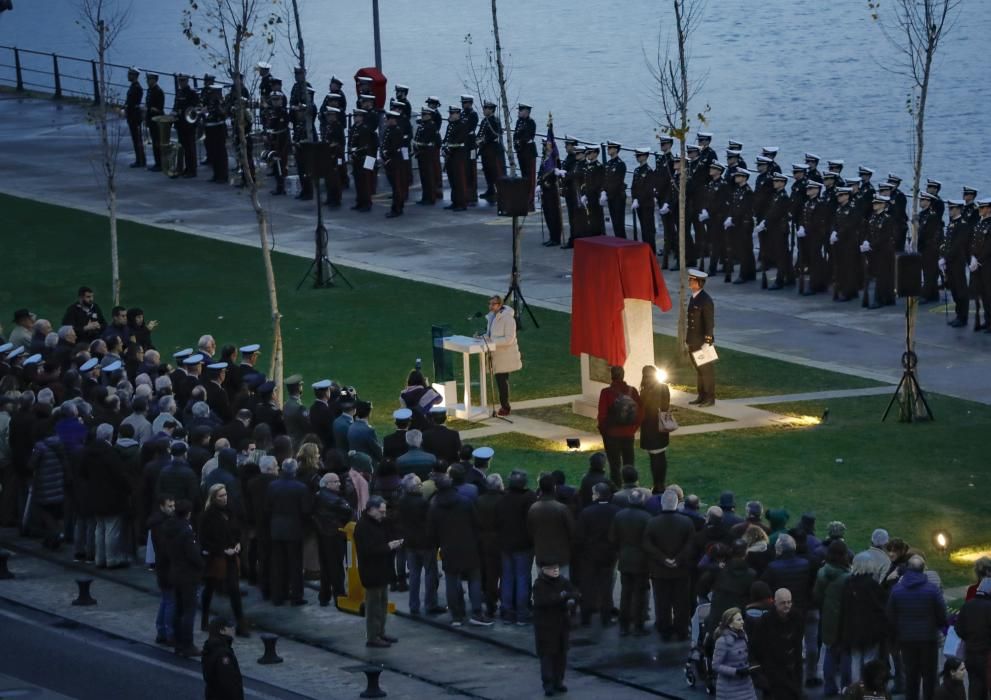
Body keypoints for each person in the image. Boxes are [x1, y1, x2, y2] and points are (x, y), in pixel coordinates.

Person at [427, 474, 492, 626]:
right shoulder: (465, 502)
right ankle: (477, 613)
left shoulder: (435, 507)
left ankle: (456, 615)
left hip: (449, 549)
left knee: (451, 581)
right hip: (469, 547)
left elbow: (432, 533)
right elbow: (477, 524)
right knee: (474, 580)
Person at [887, 554, 947, 700]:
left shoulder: (897, 590)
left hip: (906, 639)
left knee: (911, 675)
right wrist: (937, 627)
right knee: (929, 676)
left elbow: (891, 616)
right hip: (928, 639)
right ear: (923, 569)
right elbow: (942, 614)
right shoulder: (932, 590)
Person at [643, 488, 695, 641]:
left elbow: (647, 544)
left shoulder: (652, 522)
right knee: (681, 603)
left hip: (660, 571)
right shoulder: (686, 522)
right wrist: (677, 559)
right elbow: (690, 544)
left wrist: (663, 558)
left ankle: (664, 630)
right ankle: (681, 631)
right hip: (681, 570)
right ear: (677, 503)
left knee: (662, 602)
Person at [199, 483, 248, 636]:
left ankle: (241, 624)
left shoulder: (230, 511)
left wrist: (238, 543)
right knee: (210, 588)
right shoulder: (207, 516)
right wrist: (222, 550)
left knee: (234, 590)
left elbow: (237, 530)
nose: (225, 498)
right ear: (214, 498)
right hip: (216, 557)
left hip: (231, 556)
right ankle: (204, 619)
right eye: (221, 496)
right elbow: (204, 539)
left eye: (225, 494)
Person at [355, 496, 402, 647]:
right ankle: (373, 636)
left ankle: (380, 632)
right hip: (371, 571)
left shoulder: (379, 523)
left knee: (382, 604)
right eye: (381, 512)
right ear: (371, 510)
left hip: (382, 569)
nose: (383, 515)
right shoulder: (362, 527)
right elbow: (368, 550)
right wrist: (389, 547)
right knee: (373, 606)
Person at [266, 458, 313, 606]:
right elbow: (306, 510)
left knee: (279, 564)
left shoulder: (272, 486)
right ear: (295, 470)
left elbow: (268, 507)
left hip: (276, 528)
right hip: (294, 528)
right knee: (295, 564)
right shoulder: (300, 487)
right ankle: (296, 596)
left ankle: (279, 595)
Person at [575, 482, 619, 627]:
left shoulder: (587, 512)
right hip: (609, 555)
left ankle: (585, 617)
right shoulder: (616, 511)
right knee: (606, 587)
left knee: (587, 586)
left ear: (597, 495)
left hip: (590, 555)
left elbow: (580, 536)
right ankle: (605, 617)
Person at [497, 469, 537, 624]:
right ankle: (522, 613)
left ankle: (507, 611)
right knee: (522, 577)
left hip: (506, 543)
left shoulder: (503, 498)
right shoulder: (529, 498)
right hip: (524, 544)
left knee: (507, 577)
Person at [841, 552, 888, 685]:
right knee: (869, 659)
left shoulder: (848, 583)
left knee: (855, 659)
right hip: (870, 630)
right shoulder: (872, 585)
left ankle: (856, 688)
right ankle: (869, 687)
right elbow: (880, 607)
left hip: (852, 629)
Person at [532, 562, 578, 697]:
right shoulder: (539, 585)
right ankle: (548, 683)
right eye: (551, 569)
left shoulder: (562, 581)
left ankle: (558, 681)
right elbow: (542, 601)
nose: (555, 571)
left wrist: (570, 598)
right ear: (544, 570)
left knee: (561, 654)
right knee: (547, 655)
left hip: (561, 624)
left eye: (556, 568)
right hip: (545, 626)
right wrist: (562, 596)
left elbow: (575, 592)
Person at [609, 487, 651, 636]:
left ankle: (623, 626)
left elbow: (613, 538)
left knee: (625, 594)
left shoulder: (619, 516)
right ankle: (638, 625)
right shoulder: (647, 517)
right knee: (639, 595)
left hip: (625, 559)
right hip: (642, 561)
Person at [751, 588, 805, 699]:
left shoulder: (797, 617)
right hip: (773, 670)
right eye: (783, 603)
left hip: (792, 667)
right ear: (775, 602)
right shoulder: (765, 621)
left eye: (789, 602)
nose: (787, 605)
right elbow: (757, 646)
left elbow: (798, 643)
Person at [168, 499, 204, 658]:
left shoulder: (169, 527)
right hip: (188, 575)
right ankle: (187, 644)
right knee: (189, 610)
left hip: (175, 571)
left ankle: (177, 641)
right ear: (188, 513)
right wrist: (202, 563)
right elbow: (193, 554)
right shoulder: (186, 531)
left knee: (178, 608)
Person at [815, 540, 852, 696]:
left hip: (828, 617)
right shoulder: (847, 577)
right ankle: (846, 688)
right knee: (845, 654)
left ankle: (829, 687)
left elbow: (817, 597)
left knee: (829, 651)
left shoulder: (822, 572)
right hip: (845, 619)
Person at [597, 365, 643, 486]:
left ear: (611, 376)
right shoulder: (632, 391)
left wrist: (604, 431)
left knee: (614, 465)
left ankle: (616, 489)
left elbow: (602, 415)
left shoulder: (606, 393)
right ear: (623, 375)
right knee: (629, 462)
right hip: (628, 433)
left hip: (611, 434)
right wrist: (634, 428)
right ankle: (631, 485)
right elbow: (640, 411)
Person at [312, 471, 352, 608]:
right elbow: (348, 511)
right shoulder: (335, 500)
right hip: (335, 534)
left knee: (325, 566)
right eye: (335, 481)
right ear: (328, 484)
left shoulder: (317, 496)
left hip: (322, 534)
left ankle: (324, 596)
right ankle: (339, 595)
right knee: (336, 567)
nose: (339, 484)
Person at [478, 295, 521, 417]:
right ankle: (504, 405)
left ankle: (505, 407)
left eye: (493, 304)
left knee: (502, 381)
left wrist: (492, 341)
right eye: (489, 303)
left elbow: (509, 339)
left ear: (500, 304)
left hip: (505, 355)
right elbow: (489, 334)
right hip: (495, 354)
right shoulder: (492, 317)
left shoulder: (508, 319)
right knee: (500, 380)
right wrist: (481, 337)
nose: (490, 306)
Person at [527, 473, 575, 579]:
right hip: (561, 557)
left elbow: (530, 532)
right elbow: (572, 532)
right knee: (562, 588)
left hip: (542, 555)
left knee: (543, 586)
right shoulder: (562, 509)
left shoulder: (533, 508)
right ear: (554, 487)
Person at [953, 577, 991, 700]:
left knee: (974, 685)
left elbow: (958, 628)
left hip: (970, 653)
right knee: (986, 685)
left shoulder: (967, 605)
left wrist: (968, 638)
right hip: (986, 655)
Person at [638, 365, 672, 492]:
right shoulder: (663, 387)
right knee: (661, 456)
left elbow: (642, 409)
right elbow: (666, 404)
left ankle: (657, 484)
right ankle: (660, 484)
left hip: (649, 428)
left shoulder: (644, 391)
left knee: (654, 458)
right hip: (661, 427)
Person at [712, 607, 757, 700]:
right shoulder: (722, 642)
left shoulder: (743, 637)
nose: (742, 622)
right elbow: (716, 665)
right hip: (729, 688)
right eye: (739, 619)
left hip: (746, 684)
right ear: (730, 623)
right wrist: (736, 671)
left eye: (742, 619)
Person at [686, 269, 716, 406]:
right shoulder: (695, 297)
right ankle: (701, 395)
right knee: (699, 370)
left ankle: (709, 397)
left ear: (699, 283)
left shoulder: (706, 300)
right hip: (693, 340)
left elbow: (709, 322)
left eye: (692, 280)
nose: (689, 282)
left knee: (706, 370)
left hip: (702, 342)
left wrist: (707, 341)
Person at [201, 617, 244, 700]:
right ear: (222, 631)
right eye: (230, 627)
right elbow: (229, 684)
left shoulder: (210, 646)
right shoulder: (223, 654)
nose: (233, 629)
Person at [144, 72, 165, 171]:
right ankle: (157, 162)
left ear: (155, 80)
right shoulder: (150, 91)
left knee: (158, 142)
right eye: (148, 79)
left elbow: (160, 108)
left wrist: (153, 109)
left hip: (157, 119)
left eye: (150, 79)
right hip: (151, 119)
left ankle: (160, 163)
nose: (148, 81)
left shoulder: (158, 91)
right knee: (154, 142)